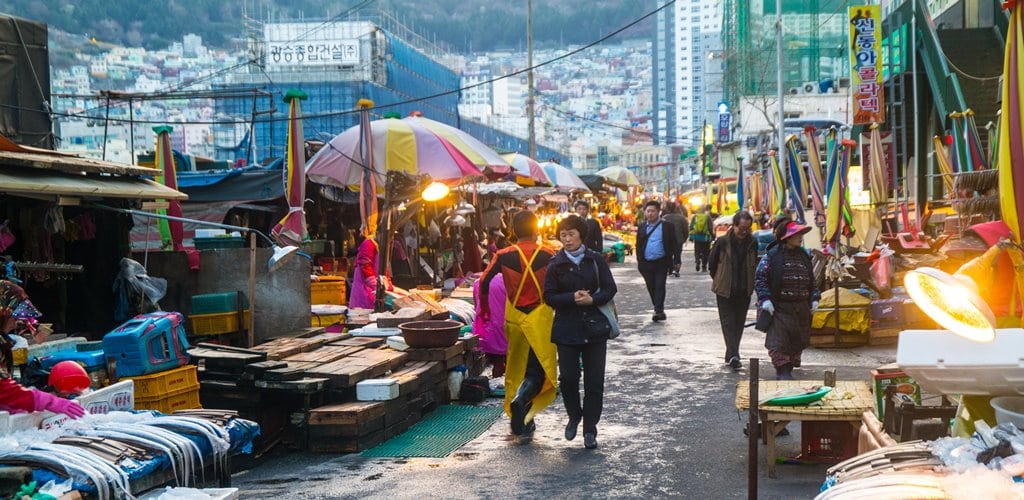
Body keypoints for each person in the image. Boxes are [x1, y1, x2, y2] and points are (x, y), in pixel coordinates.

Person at [479, 211, 558, 436]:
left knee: (517, 366)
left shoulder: (503, 255)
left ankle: (523, 415)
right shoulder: (548, 253)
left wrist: (485, 309)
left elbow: (483, 280)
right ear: (536, 230)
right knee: (539, 369)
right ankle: (522, 401)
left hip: (514, 318)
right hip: (540, 318)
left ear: (513, 231)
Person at [544, 215, 617, 450]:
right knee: (568, 379)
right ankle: (574, 415)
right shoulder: (555, 264)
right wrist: (571, 299)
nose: (567, 239)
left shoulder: (595, 260)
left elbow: (610, 288)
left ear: (581, 235)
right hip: (566, 329)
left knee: (594, 383)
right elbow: (549, 296)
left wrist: (592, 300)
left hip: (595, 328)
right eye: (563, 235)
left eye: (571, 234)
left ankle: (590, 429)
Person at [0, 281, 84, 418]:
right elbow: (4, 391)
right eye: (14, 315)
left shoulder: (4, 341)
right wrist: (46, 401)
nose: (18, 321)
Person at [754, 218, 820, 380]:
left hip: (800, 309)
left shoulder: (804, 256)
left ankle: (787, 370)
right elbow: (760, 278)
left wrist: (814, 298)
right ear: (787, 237)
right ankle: (783, 372)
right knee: (779, 341)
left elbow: (812, 280)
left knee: (796, 340)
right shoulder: (772, 256)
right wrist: (765, 299)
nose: (800, 237)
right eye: (797, 234)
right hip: (779, 308)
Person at [708, 211, 758, 370]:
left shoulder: (752, 242)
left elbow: (754, 262)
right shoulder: (722, 242)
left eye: (747, 229)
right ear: (734, 226)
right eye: (741, 228)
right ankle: (734, 354)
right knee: (728, 323)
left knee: (739, 323)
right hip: (725, 289)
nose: (744, 232)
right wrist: (721, 278)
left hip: (744, 289)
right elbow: (712, 264)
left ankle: (731, 353)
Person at [636, 200, 679, 322]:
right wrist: (639, 261)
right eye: (648, 211)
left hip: (661, 262)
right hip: (646, 263)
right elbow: (638, 244)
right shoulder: (642, 227)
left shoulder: (667, 226)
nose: (650, 214)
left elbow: (674, 244)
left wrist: (677, 259)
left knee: (660, 285)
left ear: (658, 212)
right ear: (645, 212)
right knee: (651, 286)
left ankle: (658, 311)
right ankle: (658, 307)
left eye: (653, 211)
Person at [473, 272, 508, 378]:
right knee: (506, 364)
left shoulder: (479, 282)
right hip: (505, 328)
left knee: (497, 363)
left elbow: (476, 306)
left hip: (484, 329)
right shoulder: (512, 281)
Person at [662, 202, 689, 277]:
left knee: (668, 255)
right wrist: (685, 238)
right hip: (678, 240)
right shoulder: (681, 218)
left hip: (667, 240)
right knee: (677, 255)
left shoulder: (664, 218)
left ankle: (669, 269)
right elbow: (685, 230)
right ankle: (676, 270)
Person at [689, 205, 714, 272]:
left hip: (697, 237)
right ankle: (704, 267)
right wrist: (713, 236)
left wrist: (691, 237)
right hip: (706, 238)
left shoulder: (695, 217)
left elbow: (691, 227)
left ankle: (697, 261)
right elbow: (710, 228)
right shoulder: (707, 217)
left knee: (697, 250)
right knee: (706, 252)